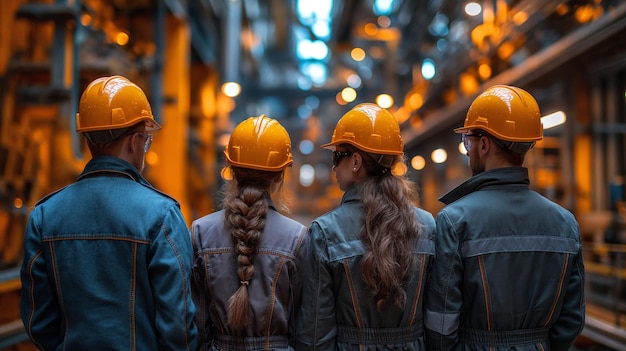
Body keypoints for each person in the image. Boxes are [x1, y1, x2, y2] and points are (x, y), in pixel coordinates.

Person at [19, 75, 198, 350]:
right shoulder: (162, 215)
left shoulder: (45, 215)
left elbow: (38, 322)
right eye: (146, 140)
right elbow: (178, 325)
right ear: (134, 141)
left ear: (88, 138)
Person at [424, 85, 585, 350]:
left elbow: (442, 322)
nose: (467, 151)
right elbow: (573, 317)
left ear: (484, 144)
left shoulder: (455, 220)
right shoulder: (565, 222)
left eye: (468, 142)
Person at [296, 103, 436, 350]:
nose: (333, 167)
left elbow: (316, 333)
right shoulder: (427, 225)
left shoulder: (326, 232)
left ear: (356, 161)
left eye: (337, 157)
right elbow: (438, 320)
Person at [190, 115, 308, 350]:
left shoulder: (201, 232)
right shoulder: (297, 238)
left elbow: (197, 324)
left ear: (231, 169)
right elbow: (304, 326)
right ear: (280, 175)